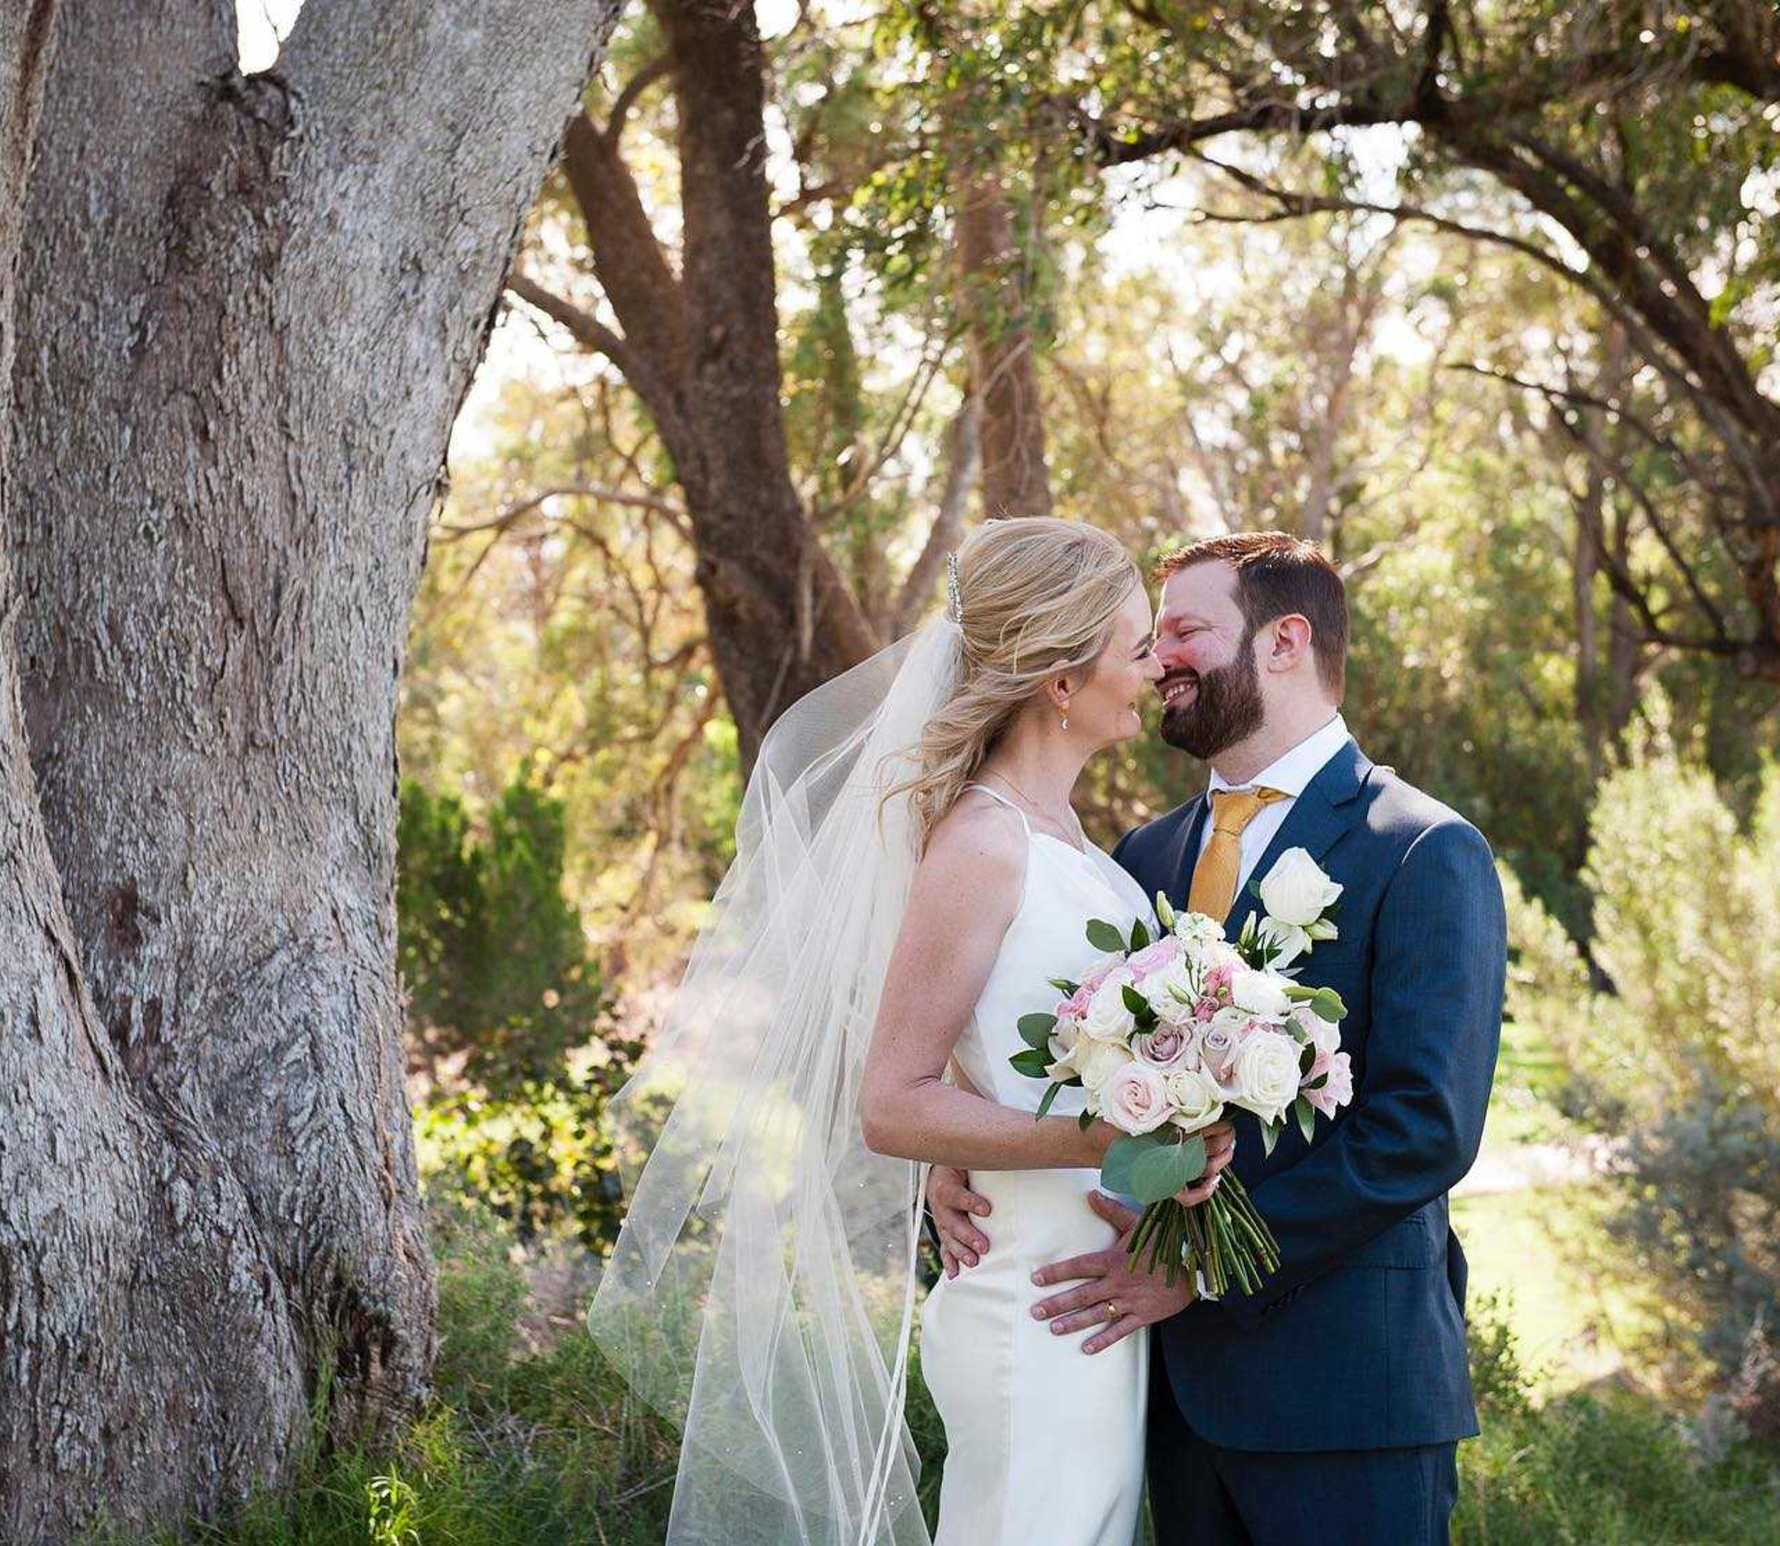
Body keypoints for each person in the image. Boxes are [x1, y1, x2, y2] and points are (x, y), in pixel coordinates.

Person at [588, 517, 1229, 1544]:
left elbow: (996, 1064)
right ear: (1058, 682)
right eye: (1134, 643)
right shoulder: (981, 840)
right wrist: (1108, 1141)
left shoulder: (1064, 837)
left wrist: (1177, 1143)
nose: (1154, 667)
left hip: (1085, 1294)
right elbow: (891, 1100)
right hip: (1032, 1302)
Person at [929, 532, 1507, 1545]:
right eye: (1149, 639)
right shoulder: (1139, 857)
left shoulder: (1419, 847)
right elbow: (1054, 1038)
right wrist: (956, 1138)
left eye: (1185, 631)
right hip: (1165, 1395)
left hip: (1345, 1400)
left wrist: (1196, 1268)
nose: (1159, 661)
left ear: (1284, 642)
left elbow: (1424, 1126)